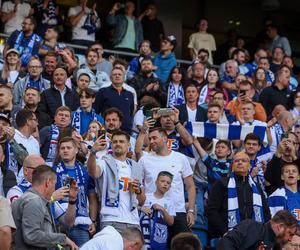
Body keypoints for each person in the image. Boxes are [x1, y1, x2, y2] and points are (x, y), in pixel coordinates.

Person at [138, 127, 196, 239]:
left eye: (154, 138)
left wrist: (191, 211)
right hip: (153, 212)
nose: (151, 141)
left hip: (178, 211)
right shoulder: (144, 160)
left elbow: (190, 186)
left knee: (183, 246)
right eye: (149, 139)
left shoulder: (181, 158)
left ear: (165, 139)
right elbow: (137, 185)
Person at [87, 130, 146, 232]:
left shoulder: (135, 166)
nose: (118, 144)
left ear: (128, 145)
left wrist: (138, 191)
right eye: (115, 142)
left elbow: (142, 201)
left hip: (133, 220)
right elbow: (93, 172)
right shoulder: (104, 162)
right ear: (111, 145)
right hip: (111, 219)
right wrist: (93, 152)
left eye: (121, 141)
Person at [11, 165, 78, 250]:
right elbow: (31, 235)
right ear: (48, 182)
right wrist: (62, 239)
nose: (54, 188)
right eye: (54, 184)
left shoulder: (32, 199)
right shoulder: (34, 201)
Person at [207, 151, 271, 238]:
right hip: (227, 236)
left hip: (253, 237)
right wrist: (224, 232)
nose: (240, 162)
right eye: (237, 161)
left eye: (244, 161)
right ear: (232, 166)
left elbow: (266, 212)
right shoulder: (221, 183)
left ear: (249, 166)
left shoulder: (256, 187)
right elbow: (212, 210)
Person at [53, 137, 97, 246]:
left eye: (69, 147)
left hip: (81, 226)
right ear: (59, 151)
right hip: (59, 225)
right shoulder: (52, 171)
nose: (65, 150)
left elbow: (92, 199)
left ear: (76, 150)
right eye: (62, 148)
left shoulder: (85, 172)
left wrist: (93, 220)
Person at [216, 210, 297, 250]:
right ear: (280, 227)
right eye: (290, 233)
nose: (290, 239)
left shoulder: (275, 245)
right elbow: (224, 243)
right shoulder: (252, 227)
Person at [140, 171, 175, 249]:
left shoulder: (169, 202)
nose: (165, 184)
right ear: (156, 182)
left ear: (170, 186)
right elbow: (134, 206)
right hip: (144, 232)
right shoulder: (146, 197)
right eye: (162, 181)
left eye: (168, 183)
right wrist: (141, 208)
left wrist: (162, 210)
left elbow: (171, 222)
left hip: (159, 237)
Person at [94, 67, 134, 133]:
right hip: (109, 131)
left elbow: (131, 112)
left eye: (119, 74)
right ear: (110, 77)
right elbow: (96, 111)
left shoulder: (129, 94)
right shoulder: (103, 91)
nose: (117, 76)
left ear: (124, 77)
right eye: (114, 74)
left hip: (126, 131)